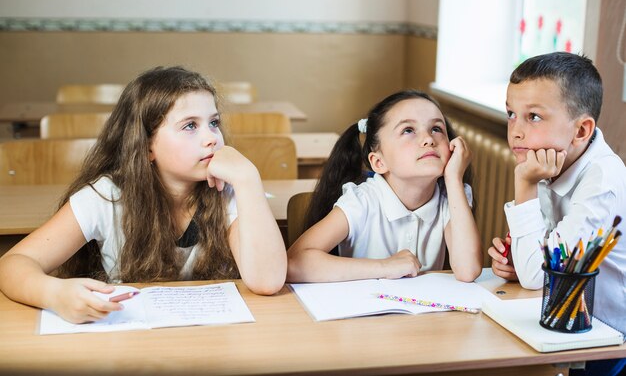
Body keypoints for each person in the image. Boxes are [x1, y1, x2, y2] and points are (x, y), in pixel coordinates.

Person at [0, 66, 287, 324]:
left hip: (209, 341)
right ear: (147, 146)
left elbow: (267, 281)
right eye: (190, 126)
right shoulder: (107, 196)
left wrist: (249, 179)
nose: (212, 137)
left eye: (214, 122)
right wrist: (54, 293)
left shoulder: (229, 190)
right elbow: (12, 264)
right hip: (130, 344)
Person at [488, 52, 626, 376]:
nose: (516, 131)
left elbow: (539, 276)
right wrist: (515, 262)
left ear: (581, 131)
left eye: (533, 116)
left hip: (607, 341)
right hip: (562, 323)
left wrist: (523, 183)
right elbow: (537, 263)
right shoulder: (549, 161)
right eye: (511, 114)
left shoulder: (602, 183)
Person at [287, 90, 482, 283]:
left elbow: (468, 270)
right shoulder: (363, 201)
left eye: (437, 129)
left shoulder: (452, 196)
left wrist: (454, 179)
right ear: (379, 162)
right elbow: (294, 263)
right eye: (408, 130)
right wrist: (385, 267)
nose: (429, 139)